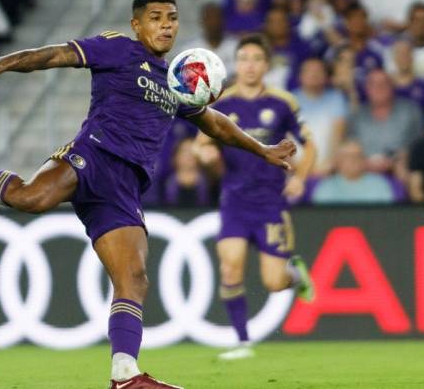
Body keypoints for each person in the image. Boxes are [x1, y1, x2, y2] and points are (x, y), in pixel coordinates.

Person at [0, 0, 296, 389]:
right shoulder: (117, 48)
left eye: (172, 18)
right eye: (156, 18)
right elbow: (55, 55)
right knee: (32, 198)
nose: (166, 26)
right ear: (137, 25)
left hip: (126, 186)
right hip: (93, 156)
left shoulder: (178, 82)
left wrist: (263, 149)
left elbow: (215, 123)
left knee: (133, 278)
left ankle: (125, 374)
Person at [195, 34, 316, 361]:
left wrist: (300, 179)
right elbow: (200, 142)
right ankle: (243, 342)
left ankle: (295, 275)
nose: (249, 65)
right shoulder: (221, 103)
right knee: (230, 268)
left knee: (274, 282)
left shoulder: (282, 103)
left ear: (266, 65)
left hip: (270, 202)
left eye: (256, 59)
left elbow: (310, 144)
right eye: (243, 58)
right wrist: (205, 154)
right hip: (234, 200)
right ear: (236, 63)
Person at [346, 69, 424, 176]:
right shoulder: (357, 116)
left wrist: (399, 159)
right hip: (363, 172)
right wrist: (364, 163)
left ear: (392, 86)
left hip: (400, 170)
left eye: (384, 83)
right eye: (373, 84)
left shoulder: (410, 111)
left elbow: (422, 144)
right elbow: (350, 148)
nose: (379, 88)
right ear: (367, 89)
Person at [293, 58, 347, 175]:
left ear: (326, 77)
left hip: (327, 170)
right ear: (300, 76)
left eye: (318, 71)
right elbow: (284, 139)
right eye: (309, 71)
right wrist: (299, 169)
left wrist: (329, 166)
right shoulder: (289, 100)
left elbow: (338, 138)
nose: (314, 74)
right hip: (295, 170)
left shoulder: (336, 98)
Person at [311, 140, 395, 204]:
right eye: (347, 156)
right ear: (338, 161)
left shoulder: (379, 185)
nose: (353, 160)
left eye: (357, 155)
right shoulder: (326, 187)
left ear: (364, 159)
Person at [178, 2, 237, 79]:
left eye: (217, 18)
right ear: (202, 21)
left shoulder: (236, 46)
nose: (214, 22)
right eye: (209, 18)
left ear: (224, 21)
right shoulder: (189, 50)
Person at [262, 6, 312, 91]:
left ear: (288, 23)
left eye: (281, 21)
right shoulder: (259, 48)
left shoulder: (302, 47)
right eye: (273, 22)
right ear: (266, 25)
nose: (277, 25)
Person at [388, 39, 424, 123]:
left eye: (406, 54)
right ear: (393, 58)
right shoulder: (385, 87)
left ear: (412, 56)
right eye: (399, 54)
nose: (403, 58)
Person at [162, 138, 213, 207]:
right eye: (185, 151)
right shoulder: (163, 184)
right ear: (175, 157)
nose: (189, 155)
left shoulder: (210, 183)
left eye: (192, 151)